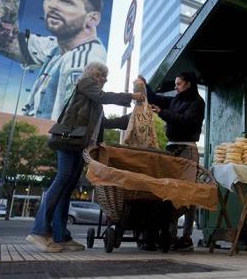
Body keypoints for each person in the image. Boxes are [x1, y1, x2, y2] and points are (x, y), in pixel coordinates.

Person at [26, 62, 144, 252]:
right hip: (69, 141)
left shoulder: (93, 99)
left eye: (105, 76)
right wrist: (131, 96)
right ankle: (39, 231)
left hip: (81, 145)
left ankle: (60, 236)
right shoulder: (86, 83)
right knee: (62, 180)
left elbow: (103, 123)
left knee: (67, 187)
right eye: (102, 75)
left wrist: (133, 117)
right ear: (93, 74)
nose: (105, 79)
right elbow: (103, 96)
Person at [0, 0, 107, 120]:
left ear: (92, 18)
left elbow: (72, 123)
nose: (52, 5)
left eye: (66, 1)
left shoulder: (84, 60)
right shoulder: (57, 46)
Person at [138, 72, 205, 251]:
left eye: (179, 84)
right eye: (176, 84)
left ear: (188, 84)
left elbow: (185, 121)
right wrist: (146, 86)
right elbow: (157, 99)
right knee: (170, 192)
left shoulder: (197, 103)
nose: (176, 87)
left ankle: (186, 236)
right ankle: (171, 234)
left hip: (187, 150)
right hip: (171, 149)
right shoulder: (175, 99)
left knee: (188, 193)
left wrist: (162, 113)